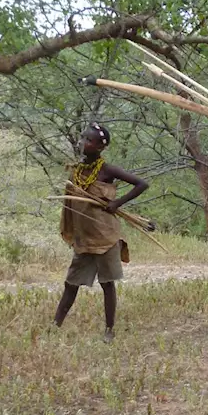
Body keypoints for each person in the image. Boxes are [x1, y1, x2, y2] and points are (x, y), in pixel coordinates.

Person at [54, 123, 148, 342]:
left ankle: (109, 330)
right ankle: (55, 325)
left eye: (89, 140)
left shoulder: (107, 170)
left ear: (100, 147)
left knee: (107, 284)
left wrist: (116, 203)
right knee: (71, 283)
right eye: (83, 138)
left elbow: (142, 184)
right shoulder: (77, 170)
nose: (82, 142)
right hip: (84, 238)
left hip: (106, 236)